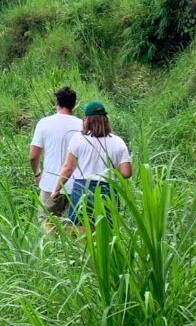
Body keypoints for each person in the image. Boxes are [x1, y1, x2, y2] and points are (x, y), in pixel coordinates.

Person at [51, 100, 132, 231]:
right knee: (106, 232)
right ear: (105, 119)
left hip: (82, 189)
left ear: (86, 119)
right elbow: (126, 173)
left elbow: (68, 169)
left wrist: (56, 190)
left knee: (81, 232)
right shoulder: (118, 142)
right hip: (108, 190)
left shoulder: (78, 138)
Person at [29, 86, 82, 226]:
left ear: (57, 102)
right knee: (75, 229)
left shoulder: (44, 123)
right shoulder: (82, 125)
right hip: (77, 186)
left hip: (50, 184)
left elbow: (33, 156)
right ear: (74, 104)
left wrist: (37, 174)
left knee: (47, 226)